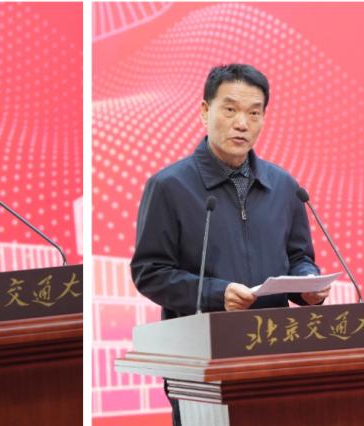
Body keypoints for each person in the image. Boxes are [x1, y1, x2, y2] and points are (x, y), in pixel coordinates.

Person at [129, 63, 330, 426]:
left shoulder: (284, 186)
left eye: (254, 113)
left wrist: (308, 284)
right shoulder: (169, 186)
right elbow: (150, 273)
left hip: (276, 354)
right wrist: (216, 294)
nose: (242, 123)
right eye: (230, 109)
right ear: (205, 111)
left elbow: (298, 256)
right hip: (202, 360)